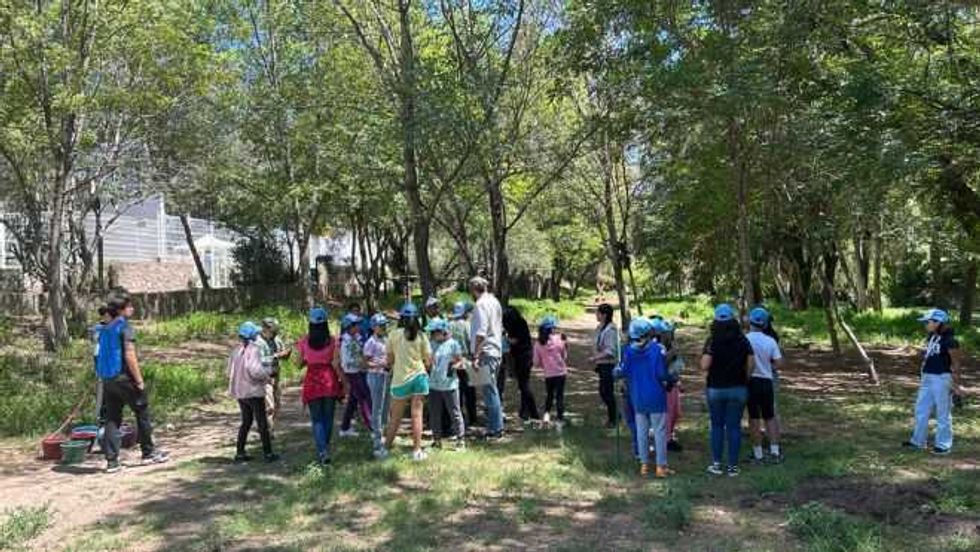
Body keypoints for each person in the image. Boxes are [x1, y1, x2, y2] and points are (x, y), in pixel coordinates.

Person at [96, 292, 169, 473]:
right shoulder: (124, 327)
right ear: (121, 310)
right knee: (142, 412)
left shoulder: (105, 328)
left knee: (112, 418)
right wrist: (139, 380)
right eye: (129, 306)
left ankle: (112, 461)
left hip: (108, 380)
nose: (132, 309)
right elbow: (129, 355)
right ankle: (148, 453)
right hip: (124, 378)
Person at [701, 304, 754, 477]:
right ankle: (733, 466)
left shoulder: (712, 341)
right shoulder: (743, 339)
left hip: (716, 388)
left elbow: (704, 365)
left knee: (717, 426)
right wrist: (745, 377)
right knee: (734, 427)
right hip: (738, 388)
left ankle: (716, 464)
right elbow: (751, 363)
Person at [616, 318, 673, 478]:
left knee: (641, 431)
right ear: (649, 333)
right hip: (656, 396)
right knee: (659, 432)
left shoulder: (627, 351)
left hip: (638, 397)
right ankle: (661, 467)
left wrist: (617, 370)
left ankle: (644, 465)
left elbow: (624, 371)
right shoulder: (656, 349)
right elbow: (661, 374)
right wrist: (671, 378)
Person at [903, 309, 965, 455]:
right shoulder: (932, 336)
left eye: (928, 322)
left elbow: (956, 364)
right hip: (927, 377)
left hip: (942, 378)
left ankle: (943, 445)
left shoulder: (951, 341)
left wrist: (956, 386)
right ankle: (918, 441)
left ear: (938, 323)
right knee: (921, 409)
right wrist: (914, 349)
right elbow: (930, 353)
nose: (925, 324)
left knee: (943, 412)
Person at [297, 307, 345, 465]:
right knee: (328, 417)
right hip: (329, 379)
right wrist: (344, 383)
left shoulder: (304, 341)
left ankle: (322, 451)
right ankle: (325, 448)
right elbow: (336, 364)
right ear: (326, 323)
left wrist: (307, 359)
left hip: (312, 380)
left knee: (316, 419)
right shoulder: (333, 341)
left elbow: (298, 364)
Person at [385, 303, 432, 461]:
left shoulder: (393, 334)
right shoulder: (422, 335)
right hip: (419, 378)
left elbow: (389, 359)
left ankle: (385, 448)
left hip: (400, 380)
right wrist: (426, 368)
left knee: (395, 417)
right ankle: (417, 451)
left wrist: (392, 365)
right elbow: (428, 359)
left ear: (401, 318)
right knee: (417, 415)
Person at [228, 322, 278, 462]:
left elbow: (229, 371)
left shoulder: (236, 350)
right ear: (253, 336)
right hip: (253, 392)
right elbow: (255, 371)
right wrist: (269, 373)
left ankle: (240, 452)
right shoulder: (253, 349)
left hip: (240, 392)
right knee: (262, 422)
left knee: (246, 422)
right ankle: (268, 453)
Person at [745, 307, 784, 464]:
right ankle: (775, 452)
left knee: (754, 418)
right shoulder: (770, 341)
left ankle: (758, 453)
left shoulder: (745, 339)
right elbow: (779, 362)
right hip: (766, 381)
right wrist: (769, 367)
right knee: (770, 416)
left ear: (750, 321)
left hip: (751, 381)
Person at [469, 276, 506, 439]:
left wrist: (476, 355)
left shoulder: (480, 304)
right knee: (492, 389)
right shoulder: (494, 301)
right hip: (496, 350)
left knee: (489, 391)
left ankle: (495, 428)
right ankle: (494, 425)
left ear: (473, 289)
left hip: (486, 352)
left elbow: (481, 332)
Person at [426, 318, 465, 448]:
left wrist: (456, 366)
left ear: (442, 331)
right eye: (431, 333)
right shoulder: (431, 344)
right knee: (434, 413)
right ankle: (437, 440)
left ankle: (460, 440)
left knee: (454, 412)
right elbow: (427, 362)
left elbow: (460, 361)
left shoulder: (453, 344)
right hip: (433, 384)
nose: (432, 335)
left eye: (434, 332)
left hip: (450, 385)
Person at [503, 306, 540, 423]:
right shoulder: (520, 322)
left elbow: (514, 340)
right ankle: (524, 411)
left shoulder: (516, 325)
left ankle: (533, 412)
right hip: (525, 356)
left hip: (523, 357)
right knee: (523, 385)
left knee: (524, 386)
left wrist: (505, 338)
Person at [339, 313, 373, 438]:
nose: (358, 327)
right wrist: (361, 363)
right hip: (353, 373)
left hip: (359, 371)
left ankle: (345, 427)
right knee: (363, 398)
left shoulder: (357, 337)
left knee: (353, 400)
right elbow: (345, 361)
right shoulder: (346, 342)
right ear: (349, 327)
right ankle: (372, 428)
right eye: (355, 325)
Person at [256, 318, 290, 436]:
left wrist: (286, 353)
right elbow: (258, 360)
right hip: (264, 378)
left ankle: (271, 427)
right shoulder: (257, 341)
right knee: (269, 406)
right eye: (272, 331)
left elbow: (283, 353)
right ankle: (267, 431)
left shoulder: (276, 339)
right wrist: (276, 356)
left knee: (277, 404)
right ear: (265, 329)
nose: (275, 333)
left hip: (276, 375)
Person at [364, 313, 391, 459]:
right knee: (377, 407)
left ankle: (386, 433)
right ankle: (376, 438)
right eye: (382, 325)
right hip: (375, 376)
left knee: (386, 405)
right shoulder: (371, 342)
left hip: (386, 375)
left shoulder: (386, 340)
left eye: (385, 325)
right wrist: (380, 364)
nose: (384, 327)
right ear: (374, 327)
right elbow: (366, 362)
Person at [533, 316, 568, 428]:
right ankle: (560, 418)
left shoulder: (538, 343)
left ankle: (546, 416)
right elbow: (564, 356)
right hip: (561, 372)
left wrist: (544, 364)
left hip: (549, 374)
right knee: (559, 396)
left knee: (549, 395)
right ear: (552, 328)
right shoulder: (560, 340)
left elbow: (536, 362)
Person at [589, 304, 619, 428]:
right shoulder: (601, 328)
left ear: (604, 315)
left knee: (606, 392)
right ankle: (614, 415)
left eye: (598, 313)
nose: (596, 315)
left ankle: (614, 418)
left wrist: (595, 358)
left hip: (608, 365)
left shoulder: (610, 330)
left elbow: (610, 351)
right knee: (604, 391)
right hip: (602, 365)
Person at [449, 302, 478, 426]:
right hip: (466, 360)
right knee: (470, 391)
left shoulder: (449, 325)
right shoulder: (468, 325)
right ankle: (472, 417)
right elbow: (472, 342)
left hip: (453, 361)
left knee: (456, 390)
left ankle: (458, 417)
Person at [658, 320, 684, 452]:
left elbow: (678, 366)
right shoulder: (658, 347)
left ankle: (670, 436)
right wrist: (671, 354)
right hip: (665, 385)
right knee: (667, 414)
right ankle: (666, 440)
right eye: (668, 333)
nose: (670, 335)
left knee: (676, 413)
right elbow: (660, 365)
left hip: (674, 383)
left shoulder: (671, 346)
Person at [90, 306, 111, 426]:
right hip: (101, 359)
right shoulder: (99, 328)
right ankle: (101, 417)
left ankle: (108, 416)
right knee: (102, 388)